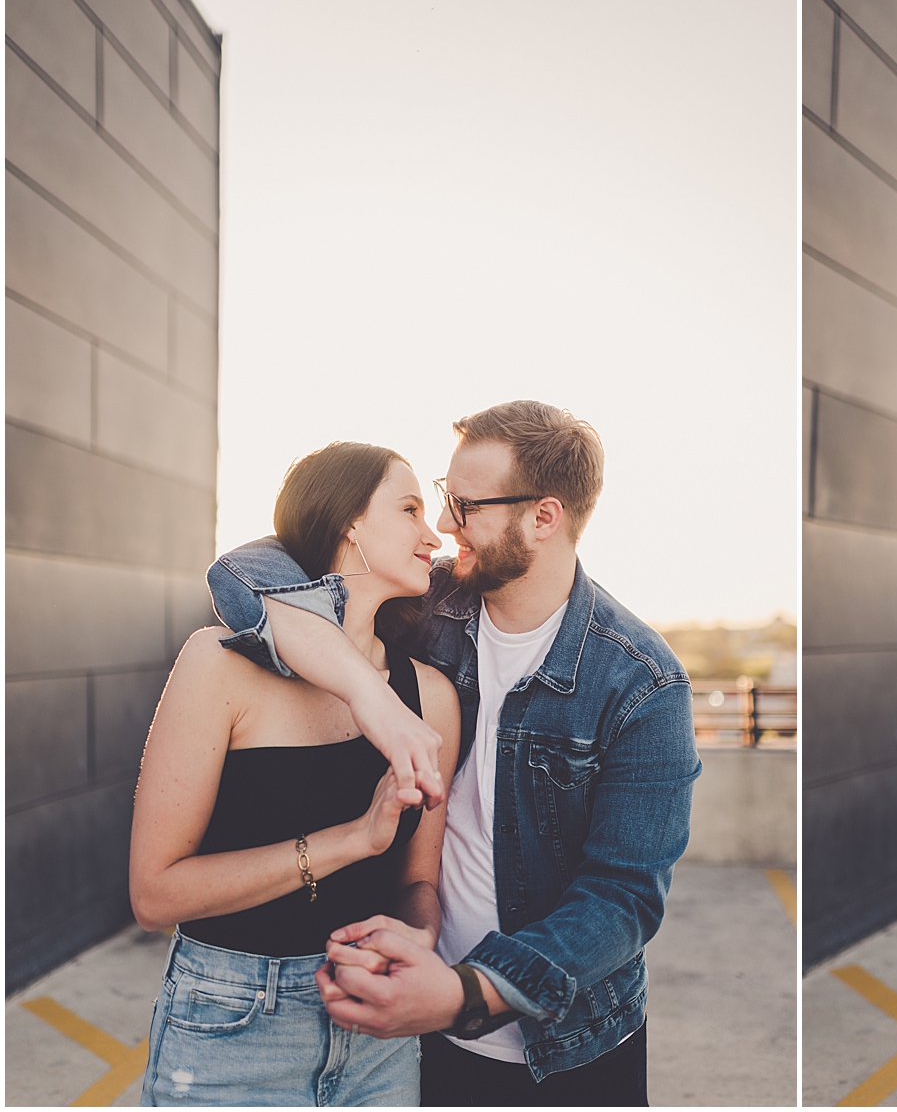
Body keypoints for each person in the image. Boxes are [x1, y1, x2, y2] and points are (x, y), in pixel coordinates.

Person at [203, 400, 700, 1107]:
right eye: (442, 498)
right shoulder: (426, 610)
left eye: (464, 505)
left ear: (544, 518)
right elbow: (243, 572)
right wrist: (371, 699)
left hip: (573, 1048)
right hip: (411, 1032)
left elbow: (622, 899)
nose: (443, 525)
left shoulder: (642, 682)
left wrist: (466, 990)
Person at [130, 442, 461, 1105]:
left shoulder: (431, 698)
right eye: (409, 508)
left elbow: (419, 880)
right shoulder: (217, 666)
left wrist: (414, 938)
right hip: (229, 1029)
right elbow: (155, 895)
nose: (434, 535)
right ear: (348, 523)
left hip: (378, 1034)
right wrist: (353, 839)